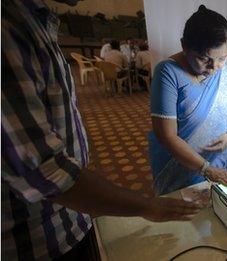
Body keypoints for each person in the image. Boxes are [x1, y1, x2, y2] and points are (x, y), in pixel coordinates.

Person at [2, 0, 201, 260]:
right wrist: (147, 205)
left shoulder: (35, 21)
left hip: (74, 220)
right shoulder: (9, 26)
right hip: (39, 242)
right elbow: (43, 170)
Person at [149, 5, 227, 195]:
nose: (214, 67)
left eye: (222, 58)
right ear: (184, 46)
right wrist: (206, 169)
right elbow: (167, 135)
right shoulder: (168, 73)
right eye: (203, 58)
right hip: (180, 167)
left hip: (218, 163)